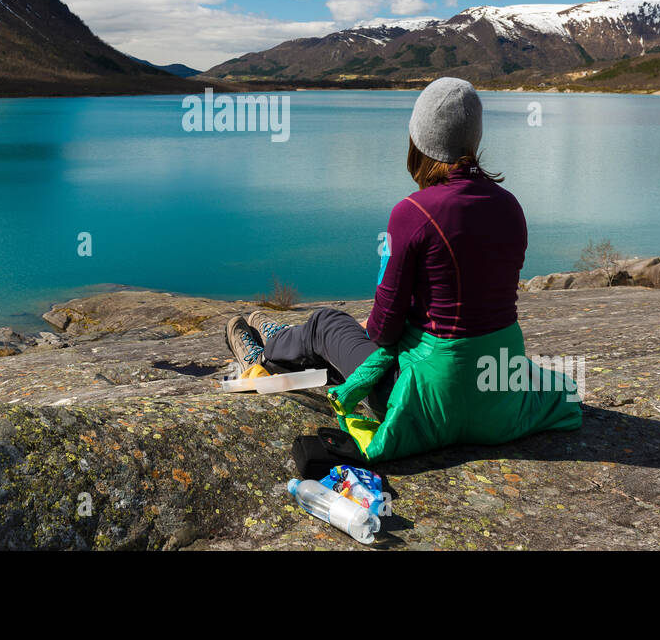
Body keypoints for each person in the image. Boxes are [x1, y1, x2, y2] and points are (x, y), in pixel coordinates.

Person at [225, 77, 582, 462]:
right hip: (499, 395)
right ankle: (280, 340)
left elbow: (383, 331)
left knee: (326, 324)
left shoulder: (412, 213)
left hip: (428, 403)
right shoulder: (511, 207)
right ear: (473, 140)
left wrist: (377, 323)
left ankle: (266, 355)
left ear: (420, 141)